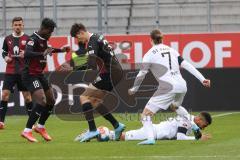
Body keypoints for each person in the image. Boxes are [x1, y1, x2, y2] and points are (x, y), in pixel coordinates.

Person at [128, 29, 211, 145]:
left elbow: (142, 73)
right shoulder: (172, 50)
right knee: (175, 107)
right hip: (182, 86)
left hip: (167, 87)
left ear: (150, 40)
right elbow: (186, 65)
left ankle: (151, 139)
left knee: (145, 115)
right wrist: (202, 79)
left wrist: (134, 88)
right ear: (162, 39)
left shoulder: (149, 54)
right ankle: (194, 126)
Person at [65, 23, 125, 142]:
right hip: (116, 72)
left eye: (77, 38)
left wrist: (74, 68)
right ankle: (117, 126)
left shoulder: (92, 42)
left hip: (109, 74)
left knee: (84, 97)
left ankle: (92, 130)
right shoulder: (98, 37)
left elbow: (92, 65)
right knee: (95, 101)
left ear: (80, 32)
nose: (78, 41)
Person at [21, 18, 69, 142]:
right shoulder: (32, 39)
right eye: (50, 32)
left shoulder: (43, 40)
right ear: (44, 29)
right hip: (30, 74)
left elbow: (48, 50)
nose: (50, 34)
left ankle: (41, 127)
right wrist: (42, 53)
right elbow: (27, 53)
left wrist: (61, 50)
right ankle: (27, 131)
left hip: (40, 74)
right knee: (41, 100)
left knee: (51, 100)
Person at [0, 17, 33, 129]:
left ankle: (31, 123)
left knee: (27, 97)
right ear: (12, 26)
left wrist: (26, 53)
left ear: (23, 25)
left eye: (20, 24)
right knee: (4, 95)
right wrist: (5, 58)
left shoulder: (28, 38)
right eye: (16, 25)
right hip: (10, 72)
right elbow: (4, 52)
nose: (18, 27)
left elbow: (32, 54)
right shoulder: (7, 39)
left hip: (23, 73)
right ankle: (1, 122)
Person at [112, 109, 212, 141]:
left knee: (123, 136)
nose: (204, 128)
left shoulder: (191, 122)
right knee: (123, 137)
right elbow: (180, 137)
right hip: (154, 132)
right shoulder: (187, 120)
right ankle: (103, 133)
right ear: (199, 119)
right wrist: (196, 138)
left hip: (155, 131)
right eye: (205, 125)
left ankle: (105, 133)